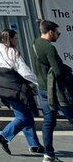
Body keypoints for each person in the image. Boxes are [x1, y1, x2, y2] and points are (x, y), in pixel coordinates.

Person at [0, 28, 42, 155]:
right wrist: (39, 82)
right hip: (15, 89)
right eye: (15, 38)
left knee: (26, 115)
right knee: (23, 117)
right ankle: (4, 136)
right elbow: (24, 72)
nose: (17, 41)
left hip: (2, 88)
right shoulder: (13, 53)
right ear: (10, 39)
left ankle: (34, 145)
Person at [33, 20, 73, 161]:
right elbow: (57, 71)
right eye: (57, 32)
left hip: (43, 89)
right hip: (56, 90)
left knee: (49, 122)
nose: (58, 35)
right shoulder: (49, 48)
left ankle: (48, 154)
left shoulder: (36, 43)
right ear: (50, 32)